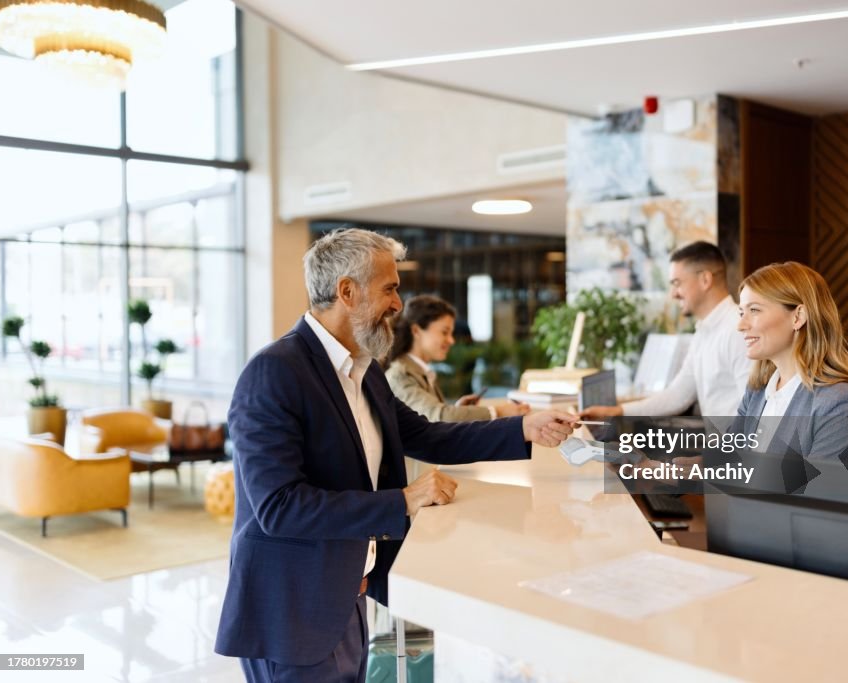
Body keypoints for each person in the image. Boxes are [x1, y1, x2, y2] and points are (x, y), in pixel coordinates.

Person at [214, 228, 576, 682]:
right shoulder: (274, 373)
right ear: (347, 291)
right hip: (293, 610)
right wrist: (404, 499)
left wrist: (524, 427)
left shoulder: (362, 369)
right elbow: (279, 507)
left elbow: (429, 436)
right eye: (390, 288)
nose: (398, 304)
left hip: (348, 594)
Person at [580, 241, 751, 420]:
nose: (673, 294)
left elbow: (753, 412)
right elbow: (678, 395)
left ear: (705, 280)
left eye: (677, 283)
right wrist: (617, 411)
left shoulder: (739, 329)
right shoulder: (704, 331)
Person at [734, 261, 848, 459]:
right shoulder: (756, 391)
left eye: (754, 310)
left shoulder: (839, 402)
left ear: (797, 317)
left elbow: (815, 488)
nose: (740, 325)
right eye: (741, 313)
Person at [385, 294, 529, 422]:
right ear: (416, 331)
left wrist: (458, 410)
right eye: (444, 332)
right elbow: (440, 416)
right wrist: (498, 412)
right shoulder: (400, 376)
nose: (451, 340)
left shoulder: (421, 371)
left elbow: (429, 418)